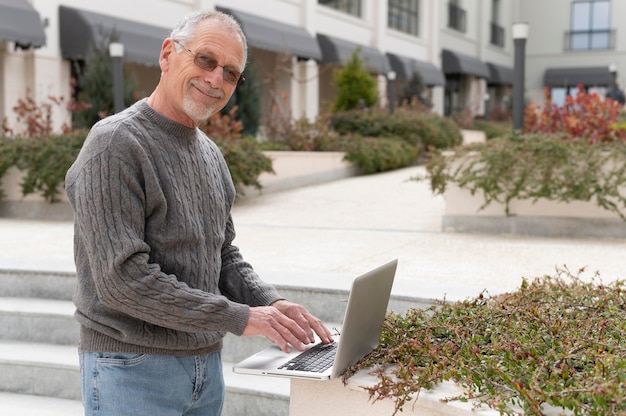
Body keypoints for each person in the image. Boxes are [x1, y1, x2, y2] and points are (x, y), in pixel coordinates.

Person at [64, 9, 333, 416]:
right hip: (131, 369)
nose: (215, 80)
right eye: (206, 60)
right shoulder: (115, 144)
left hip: (205, 369)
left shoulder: (210, 154)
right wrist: (241, 317)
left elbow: (222, 255)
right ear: (168, 54)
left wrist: (271, 304)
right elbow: (122, 280)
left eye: (230, 73)